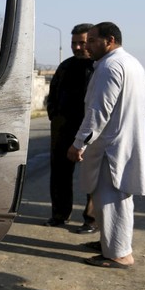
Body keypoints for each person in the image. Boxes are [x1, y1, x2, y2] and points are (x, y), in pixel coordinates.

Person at [67, 22, 145, 268]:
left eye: (92, 40)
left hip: (110, 147)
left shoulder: (110, 66)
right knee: (108, 201)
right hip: (119, 143)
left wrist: (79, 143)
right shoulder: (130, 62)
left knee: (112, 201)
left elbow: (98, 111)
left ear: (109, 40)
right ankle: (109, 243)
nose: (87, 46)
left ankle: (119, 254)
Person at [45, 23, 98, 234]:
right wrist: (54, 117)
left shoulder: (99, 67)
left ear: (91, 41)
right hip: (63, 129)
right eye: (74, 43)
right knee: (59, 174)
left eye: (82, 43)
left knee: (92, 176)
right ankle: (59, 214)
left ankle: (91, 220)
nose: (77, 47)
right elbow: (53, 94)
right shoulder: (65, 66)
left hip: (90, 131)